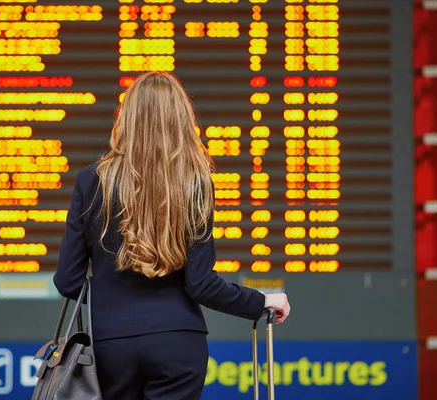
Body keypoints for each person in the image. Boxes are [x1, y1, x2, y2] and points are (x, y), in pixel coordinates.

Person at [54, 71, 290, 400]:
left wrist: (112, 293)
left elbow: (67, 281)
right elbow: (201, 284)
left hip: (110, 347)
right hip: (178, 343)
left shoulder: (91, 181)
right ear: (181, 119)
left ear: (126, 118)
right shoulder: (195, 183)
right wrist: (262, 301)